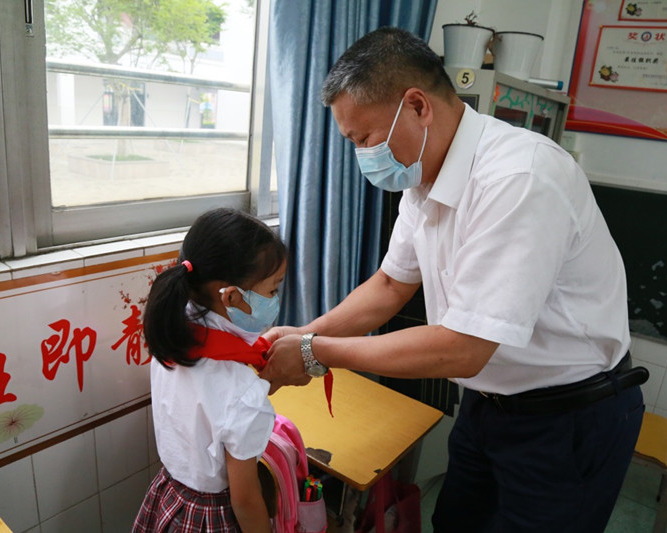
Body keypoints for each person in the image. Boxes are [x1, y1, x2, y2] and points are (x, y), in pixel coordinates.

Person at [260, 27, 646, 532]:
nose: (362, 155)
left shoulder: (518, 178)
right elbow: (390, 285)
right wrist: (306, 333)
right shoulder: (424, 178)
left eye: (364, 138)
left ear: (417, 106)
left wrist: (315, 352)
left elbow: (465, 347)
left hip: (569, 415)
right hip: (487, 406)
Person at [133, 207, 287, 533]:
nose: (276, 298)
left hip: (170, 494)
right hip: (210, 518)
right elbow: (246, 502)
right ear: (231, 296)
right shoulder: (243, 393)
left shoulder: (173, 334)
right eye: (273, 290)